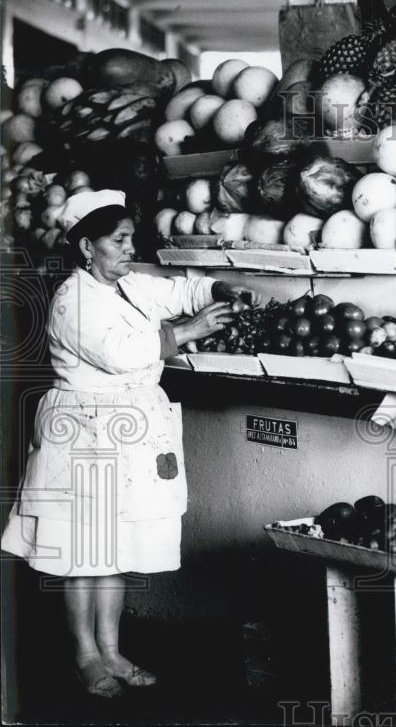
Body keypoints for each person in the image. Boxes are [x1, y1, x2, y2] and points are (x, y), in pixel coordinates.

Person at [1, 190, 259, 699]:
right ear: (86, 248)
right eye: (119, 241)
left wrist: (218, 288)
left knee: (114, 548)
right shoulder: (72, 298)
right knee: (84, 551)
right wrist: (186, 333)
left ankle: (113, 650)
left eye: (130, 239)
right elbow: (118, 354)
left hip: (128, 429)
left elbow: (179, 291)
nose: (128, 248)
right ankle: (85, 655)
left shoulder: (128, 286)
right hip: (84, 431)